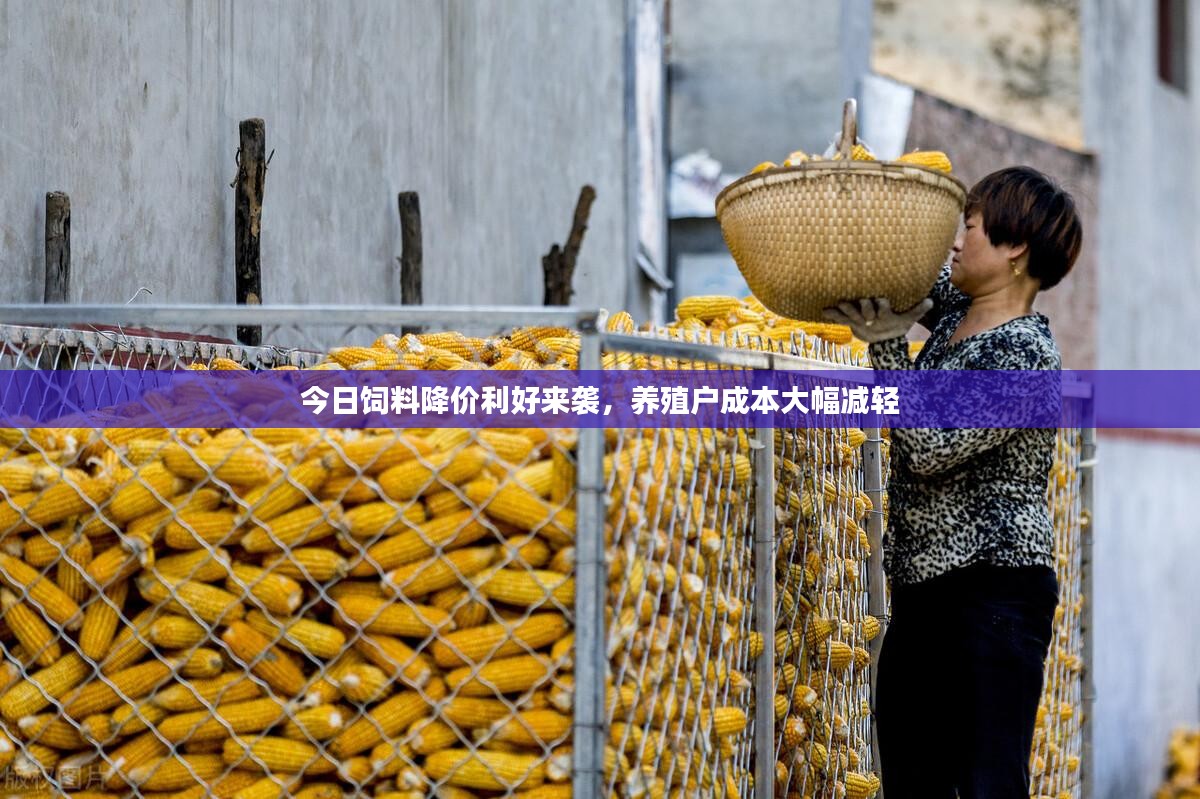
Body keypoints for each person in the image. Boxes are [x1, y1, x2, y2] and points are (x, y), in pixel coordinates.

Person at [822, 166, 1084, 799]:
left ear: (1015, 249)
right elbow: (896, 277)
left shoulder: (1022, 354)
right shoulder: (959, 310)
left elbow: (927, 447)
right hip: (925, 594)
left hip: (993, 594)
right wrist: (853, 186)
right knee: (913, 779)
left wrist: (887, 345)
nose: (956, 242)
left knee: (986, 784)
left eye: (969, 227)